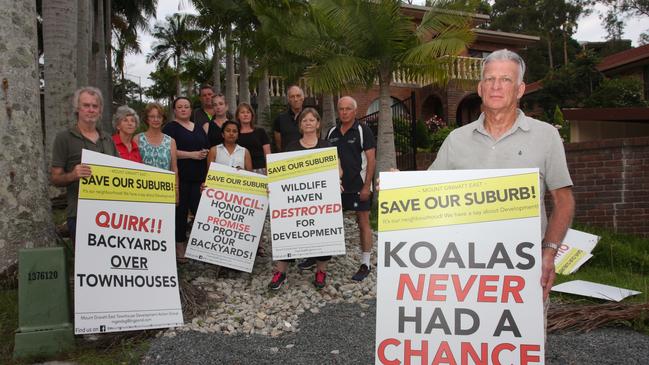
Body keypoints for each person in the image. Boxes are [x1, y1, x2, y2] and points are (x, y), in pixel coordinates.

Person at [429, 49, 575, 301]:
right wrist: (396, 185)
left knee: (521, 341)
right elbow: (427, 193)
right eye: (490, 79)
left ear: (519, 90)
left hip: (524, 272)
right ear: (480, 87)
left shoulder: (546, 136)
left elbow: (563, 200)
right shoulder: (456, 139)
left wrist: (549, 252)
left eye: (506, 80)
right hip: (461, 269)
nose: (496, 86)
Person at [268, 108, 335, 290]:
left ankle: (321, 271)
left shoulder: (326, 146)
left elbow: (338, 170)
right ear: (300, 125)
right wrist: (275, 188)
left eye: (312, 120)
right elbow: (283, 175)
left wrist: (337, 181)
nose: (308, 123)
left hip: (320, 200)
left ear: (318, 123)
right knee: (288, 232)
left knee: (323, 233)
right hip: (295, 201)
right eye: (304, 120)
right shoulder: (292, 147)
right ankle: (280, 272)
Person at [50, 86, 118, 241]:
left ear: (100, 110)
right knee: (85, 264)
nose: (91, 110)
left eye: (95, 106)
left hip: (111, 214)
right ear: (77, 109)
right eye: (86, 105)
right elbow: (55, 178)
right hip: (80, 213)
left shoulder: (107, 139)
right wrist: (73, 175)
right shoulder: (64, 138)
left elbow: (120, 171)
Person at [325, 96, 376, 281]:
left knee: (363, 223)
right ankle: (321, 256)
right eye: (341, 109)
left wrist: (366, 187)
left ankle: (365, 263)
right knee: (327, 222)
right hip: (335, 188)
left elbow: (371, 160)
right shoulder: (331, 132)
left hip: (358, 187)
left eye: (348, 109)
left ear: (355, 111)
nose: (344, 112)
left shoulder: (363, 131)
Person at [163, 97, 210, 263]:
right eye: (180, 107)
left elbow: (206, 147)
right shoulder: (170, 128)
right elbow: (167, 150)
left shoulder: (198, 128)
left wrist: (203, 155)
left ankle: (203, 248)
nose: (183, 109)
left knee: (201, 212)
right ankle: (180, 246)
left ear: (191, 110)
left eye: (186, 107)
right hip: (180, 178)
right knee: (180, 213)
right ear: (175, 110)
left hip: (198, 178)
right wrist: (192, 155)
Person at [137, 103, 179, 203]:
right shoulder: (138, 139)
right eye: (152, 116)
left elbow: (174, 168)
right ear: (147, 119)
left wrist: (176, 191)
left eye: (159, 117)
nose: (156, 119)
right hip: (142, 191)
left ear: (163, 119)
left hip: (164, 191)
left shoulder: (170, 141)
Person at [236, 102, 271, 175]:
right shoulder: (235, 133)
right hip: (241, 171)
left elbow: (267, 154)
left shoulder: (260, 132)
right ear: (238, 116)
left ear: (252, 115)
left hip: (260, 169)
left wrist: (269, 170)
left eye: (248, 112)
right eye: (242, 112)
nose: (245, 115)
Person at [273, 85, 305, 151]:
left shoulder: (311, 118)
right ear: (288, 99)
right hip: (288, 158)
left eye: (298, 96)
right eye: (292, 96)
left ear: (303, 98)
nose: (295, 99)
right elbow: (279, 144)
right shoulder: (280, 119)